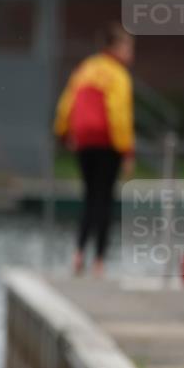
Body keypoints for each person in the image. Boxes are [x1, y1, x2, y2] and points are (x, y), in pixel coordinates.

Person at [54, 23, 136, 278]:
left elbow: (67, 102)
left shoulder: (86, 69)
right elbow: (119, 115)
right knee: (105, 199)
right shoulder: (118, 75)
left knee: (90, 197)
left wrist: (63, 132)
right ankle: (99, 261)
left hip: (84, 142)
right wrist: (126, 150)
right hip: (107, 143)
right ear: (116, 47)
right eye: (128, 47)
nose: (131, 53)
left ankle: (78, 253)